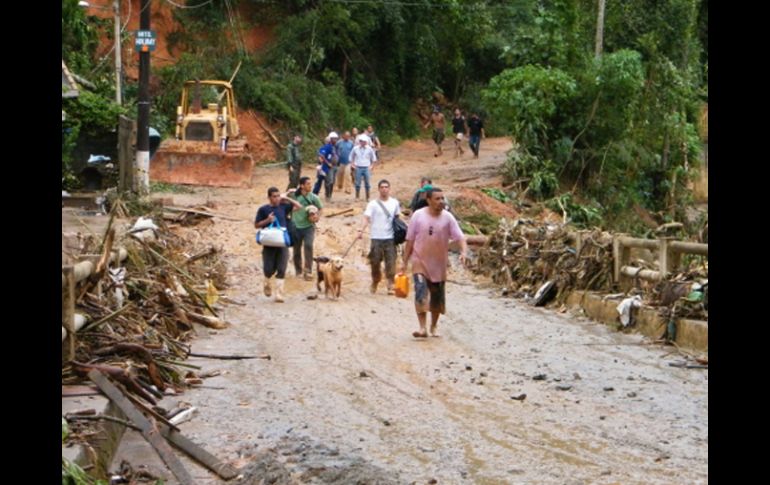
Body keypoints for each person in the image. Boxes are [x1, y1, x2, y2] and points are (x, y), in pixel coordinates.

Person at [401, 187, 467, 338]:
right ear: (428, 200)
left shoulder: (448, 218)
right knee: (420, 293)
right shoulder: (418, 215)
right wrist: (404, 262)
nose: (441, 201)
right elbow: (410, 240)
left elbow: (460, 237)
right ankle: (422, 328)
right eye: (437, 199)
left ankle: (434, 326)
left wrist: (463, 252)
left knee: (437, 297)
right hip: (419, 261)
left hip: (439, 263)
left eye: (442, 198)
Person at [254, 187, 302, 302]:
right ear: (269, 197)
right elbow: (256, 225)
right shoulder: (263, 209)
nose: (277, 198)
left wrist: (287, 198)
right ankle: (266, 282)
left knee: (282, 268)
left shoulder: (284, 207)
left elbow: (299, 207)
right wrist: (268, 220)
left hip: (282, 242)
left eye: (278, 196)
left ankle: (279, 294)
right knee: (268, 269)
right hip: (269, 243)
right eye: (274, 196)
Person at [357, 179, 401, 295]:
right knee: (375, 262)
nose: (384, 189)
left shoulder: (394, 203)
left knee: (391, 261)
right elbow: (366, 217)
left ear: (389, 189)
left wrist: (401, 233)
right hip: (376, 237)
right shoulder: (373, 204)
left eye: (386, 187)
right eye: (382, 187)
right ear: (378, 189)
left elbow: (397, 218)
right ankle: (375, 280)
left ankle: (390, 284)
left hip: (390, 237)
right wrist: (361, 229)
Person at [290, 176, 324, 280]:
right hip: (295, 226)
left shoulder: (314, 197)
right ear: (302, 186)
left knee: (308, 246)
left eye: (310, 183)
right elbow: (282, 200)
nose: (310, 185)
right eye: (308, 184)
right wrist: (288, 192)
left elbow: (321, 208)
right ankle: (298, 271)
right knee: (296, 250)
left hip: (309, 227)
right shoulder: (294, 196)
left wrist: (317, 217)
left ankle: (308, 271)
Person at [349, 134, 377, 200]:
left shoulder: (369, 149)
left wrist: (372, 166)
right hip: (358, 167)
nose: (364, 143)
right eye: (363, 141)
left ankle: (368, 197)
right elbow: (351, 157)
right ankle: (357, 196)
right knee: (357, 183)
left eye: (365, 141)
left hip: (366, 167)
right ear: (360, 141)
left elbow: (373, 158)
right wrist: (352, 164)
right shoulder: (355, 148)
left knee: (367, 183)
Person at [313, 132, 338, 199]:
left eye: (336, 139)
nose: (335, 140)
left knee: (331, 182)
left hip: (333, 166)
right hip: (324, 167)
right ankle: (316, 195)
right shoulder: (326, 147)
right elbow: (321, 156)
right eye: (334, 139)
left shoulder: (334, 147)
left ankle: (329, 195)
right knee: (322, 181)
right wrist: (327, 163)